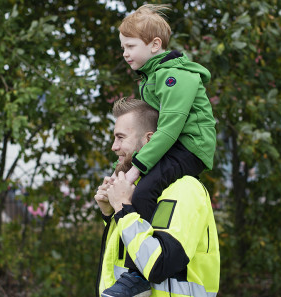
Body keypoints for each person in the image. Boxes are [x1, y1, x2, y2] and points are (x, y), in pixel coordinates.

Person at [112, 4, 218, 295]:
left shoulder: (174, 76)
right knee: (143, 188)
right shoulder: (152, 78)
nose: (125, 52)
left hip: (189, 147)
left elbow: (169, 129)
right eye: (123, 46)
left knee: (144, 190)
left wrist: (136, 170)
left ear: (155, 45)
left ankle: (139, 274)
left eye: (131, 45)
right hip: (175, 145)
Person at [95, 98, 220, 297]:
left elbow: (158, 264)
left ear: (149, 140)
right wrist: (110, 214)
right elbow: (123, 260)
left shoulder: (184, 189)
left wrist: (123, 209)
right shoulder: (137, 192)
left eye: (120, 137)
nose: (113, 147)